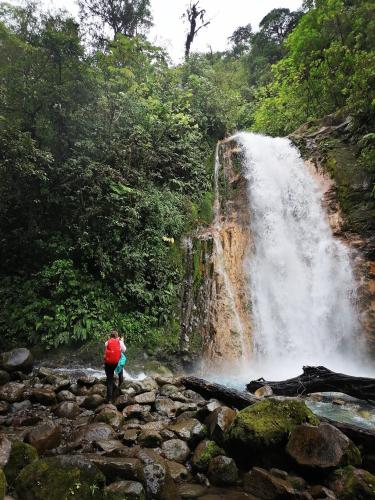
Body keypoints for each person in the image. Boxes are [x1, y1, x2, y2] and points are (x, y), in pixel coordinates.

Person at [103, 330, 126, 402]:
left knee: (109, 380)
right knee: (120, 376)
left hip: (108, 363)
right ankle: (120, 391)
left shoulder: (107, 342)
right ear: (117, 336)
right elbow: (124, 350)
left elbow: (106, 347)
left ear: (110, 336)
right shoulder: (120, 342)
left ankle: (109, 399)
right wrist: (122, 341)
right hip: (117, 363)